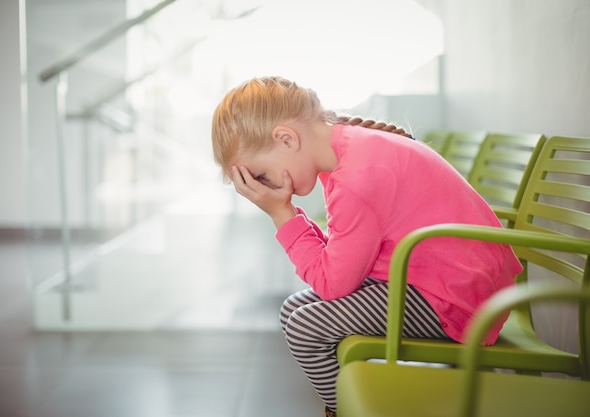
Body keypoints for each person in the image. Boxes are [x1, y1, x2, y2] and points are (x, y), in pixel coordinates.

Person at [211, 76, 523, 417]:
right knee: (292, 312)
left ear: (286, 139)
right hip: (441, 283)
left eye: (261, 177)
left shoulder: (356, 178)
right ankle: (350, 404)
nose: (266, 189)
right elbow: (337, 266)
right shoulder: (350, 154)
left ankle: (347, 411)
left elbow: (332, 283)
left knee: (306, 326)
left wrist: (281, 214)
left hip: (456, 300)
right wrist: (284, 211)